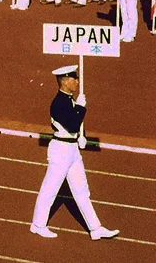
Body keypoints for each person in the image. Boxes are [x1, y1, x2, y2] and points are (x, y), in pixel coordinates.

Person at [28, 65, 118, 240]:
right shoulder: (58, 103)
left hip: (72, 149)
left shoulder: (69, 100)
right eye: (74, 79)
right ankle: (38, 225)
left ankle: (95, 228)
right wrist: (81, 108)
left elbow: (75, 127)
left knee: (82, 191)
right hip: (61, 150)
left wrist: (80, 136)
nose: (77, 82)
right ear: (64, 81)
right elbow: (72, 124)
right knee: (50, 189)